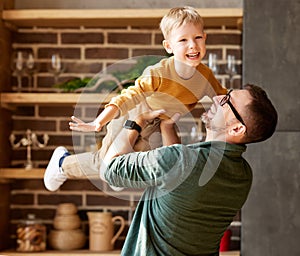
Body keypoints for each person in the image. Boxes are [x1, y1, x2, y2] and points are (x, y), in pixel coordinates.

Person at [44, 6, 227, 191]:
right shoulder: (158, 73)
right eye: (183, 40)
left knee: (138, 161)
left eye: (197, 38)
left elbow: (222, 97)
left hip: (159, 123)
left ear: (204, 38)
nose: (193, 45)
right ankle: (63, 163)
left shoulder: (206, 77)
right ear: (168, 47)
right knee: (104, 161)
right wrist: (98, 122)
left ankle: (115, 172)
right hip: (133, 113)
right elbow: (128, 97)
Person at [101, 84, 278, 256]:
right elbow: (178, 184)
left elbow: (109, 170)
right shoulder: (243, 175)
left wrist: (136, 121)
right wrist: (167, 127)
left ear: (237, 128)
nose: (216, 98)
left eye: (226, 100)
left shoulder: (182, 161)